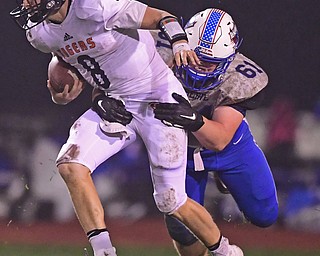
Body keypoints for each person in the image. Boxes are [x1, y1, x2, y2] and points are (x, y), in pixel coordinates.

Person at [10, 1, 243, 255]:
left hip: (157, 97)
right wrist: (66, 94)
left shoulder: (96, 6)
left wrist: (180, 43)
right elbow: (71, 56)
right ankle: (104, 252)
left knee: (171, 200)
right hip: (116, 102)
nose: (26, 3)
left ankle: (226, 252)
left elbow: (164, 18)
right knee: (70, 164)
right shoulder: (39, 33)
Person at [151, 8, 279, 256]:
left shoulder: (241, 77)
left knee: (264, 215)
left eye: (212, 62)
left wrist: (191, 118)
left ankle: (224, 176)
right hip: (177, 148)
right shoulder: (158, 50)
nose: (203, 67)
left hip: (228, 145)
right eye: (197, 57)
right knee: (182, 228)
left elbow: (219, 140)